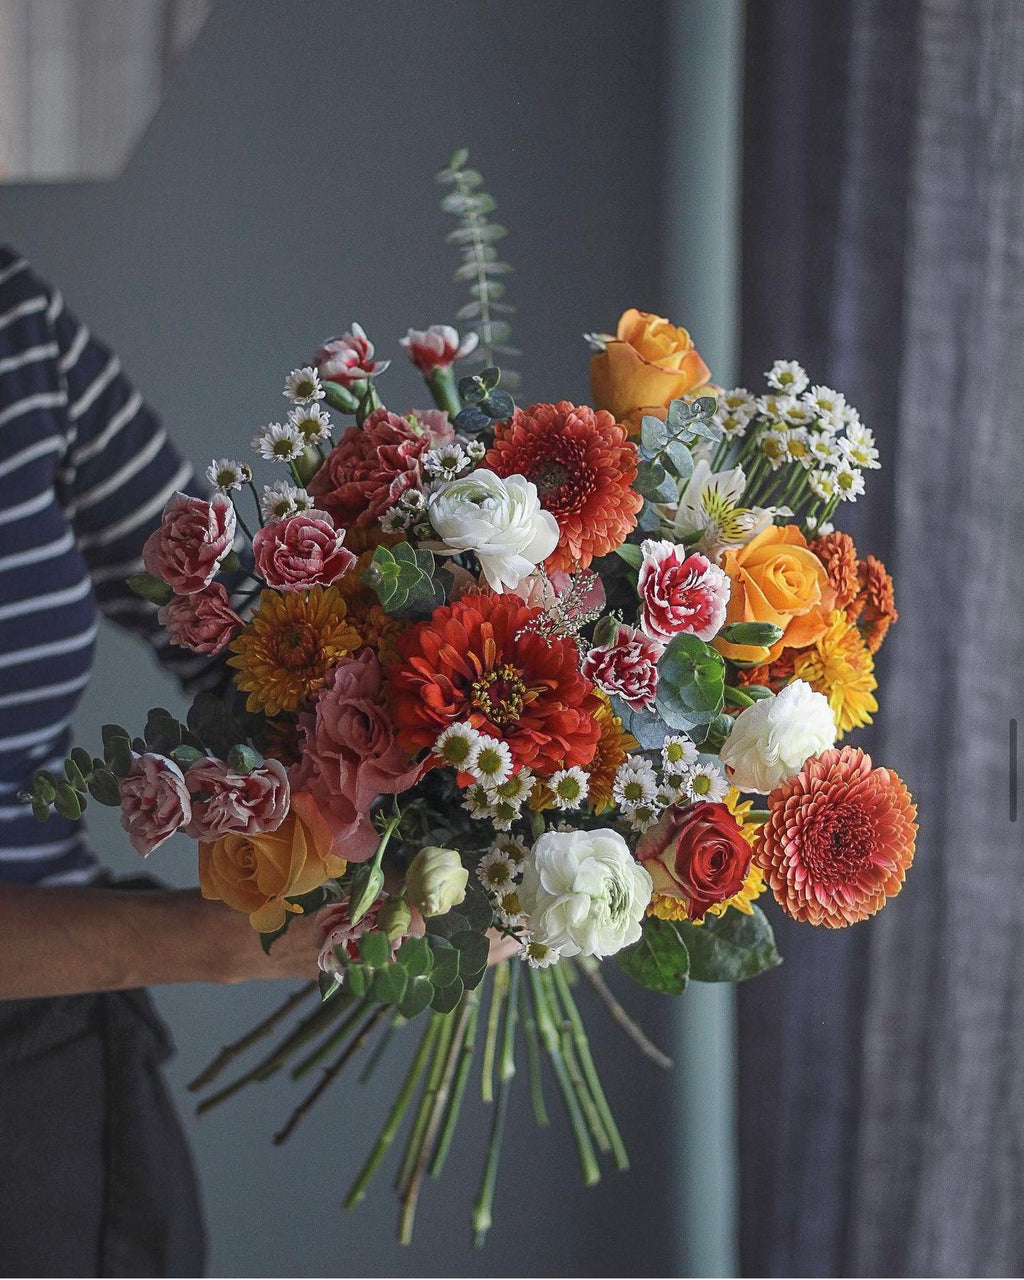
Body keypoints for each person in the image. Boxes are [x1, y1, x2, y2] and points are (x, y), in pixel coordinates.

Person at [0, 246, 320, 1277]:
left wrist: (460, 758)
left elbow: (234, 625)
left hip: (47, 1093)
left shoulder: (15, 326)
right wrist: (219, 937)